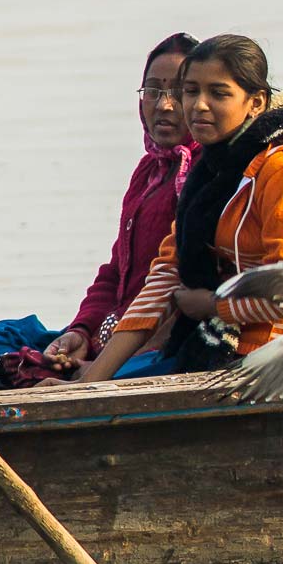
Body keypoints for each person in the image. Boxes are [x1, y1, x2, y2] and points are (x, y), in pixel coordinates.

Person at [76, 35, 283, 381]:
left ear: (256, 102)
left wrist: (215, 306)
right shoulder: (209, 171)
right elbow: (167, 273)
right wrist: (90, 380)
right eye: (191, 91)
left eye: (218, 93)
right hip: (231, 345)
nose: (198, 105)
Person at [38, 33, 200, 377]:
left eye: (178, 92)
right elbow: (117, 270)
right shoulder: (149, 170)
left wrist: (105, 367)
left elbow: (177, 288)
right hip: (114, 337)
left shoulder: (204, 173)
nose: (164, 105)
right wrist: (80, 331)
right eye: (153, 91)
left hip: (153, 348)